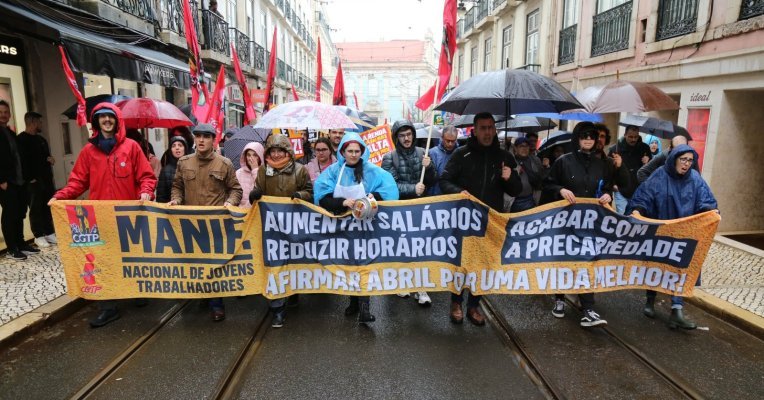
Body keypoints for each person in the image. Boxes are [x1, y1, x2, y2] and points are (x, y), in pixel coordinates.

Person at [49, 103, 157, 328]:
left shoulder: (132, 147)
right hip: (98, 218)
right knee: (102, 260)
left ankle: (136, 291)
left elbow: (146, 177)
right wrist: (60, 197)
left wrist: (146, 192)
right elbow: (78, 181)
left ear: (117, 120)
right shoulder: (88, 152)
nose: (106, 120)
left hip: (128, 218)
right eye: (102, 117)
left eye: (110, 116)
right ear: (96, 122)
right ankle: (108, 307)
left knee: (131, 257)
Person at [542, 123, 629, 328]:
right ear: (577, 139)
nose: (589, 139)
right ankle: (560, 299)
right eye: (584, 136)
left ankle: (588, 307)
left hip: (590, 225)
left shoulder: (604, 164)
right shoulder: (564, 162)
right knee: (565, 260)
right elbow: (548, 184)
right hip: (566, 222)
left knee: (587, 262)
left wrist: (607, 194)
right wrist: (561, 190)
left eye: (592, 136)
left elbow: (608, 186)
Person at [440, 112, 523, 326]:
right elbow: (445, 180)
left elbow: (517, 190)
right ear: (474, 131)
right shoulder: (461, 154)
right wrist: (460, 192)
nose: (487, 132)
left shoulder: (504, 157)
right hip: (464, 219)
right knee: (462, 263)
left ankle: (474, 305)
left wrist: (510, 177)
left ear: (495, 130)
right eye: (483, 128)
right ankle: (456, 302)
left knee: (482, 264)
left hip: (490, 221)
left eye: (490, 127)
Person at [314, 131, 398, 324]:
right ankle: (352, 302)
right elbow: (322, 197)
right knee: (348, 266)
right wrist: (342, 202)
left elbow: (389, 190)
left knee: (365, 265)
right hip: (343, 229)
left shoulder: (372, 170)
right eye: (349, 151)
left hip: (367, 227)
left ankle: (364, 309)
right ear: (343, 152)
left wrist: (370, 199)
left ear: (362, 151)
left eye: (356, 150)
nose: (353, 154)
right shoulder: (334, 172)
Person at [629, 145, 717, 329]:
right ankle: (650, 301)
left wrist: (710, 211)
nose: (686, 164)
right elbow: (644, 196)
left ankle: (677, 309)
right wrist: (637, 210)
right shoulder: (660, 175)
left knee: (681, 268)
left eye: (690, 161)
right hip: (661, 230)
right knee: (657, 266)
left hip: (685, 233)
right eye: (683, 159)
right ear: (674, 158)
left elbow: (706, 200)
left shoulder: (695, 178)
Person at [170, 123, 242, 322]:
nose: (201, 140)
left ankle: (216, 304)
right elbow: (177, 186)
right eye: (198, 136)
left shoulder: (224, 163)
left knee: (213, 265)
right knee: (194, 263)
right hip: (190, 224)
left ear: (213, 140)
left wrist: (230, 202)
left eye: (206, 136)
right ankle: (202, 294)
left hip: (214, 225)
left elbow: (236, 189)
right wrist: (176, 199)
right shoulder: (184, 162)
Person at [248, 134, 312, 328]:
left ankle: (292, 293)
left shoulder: (300, 170)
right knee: (274, 264)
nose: (275, 155)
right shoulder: (262, 171)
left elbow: (310, 193)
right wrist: (254, 195)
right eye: (272, 151)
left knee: (293, 262)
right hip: (271, 227)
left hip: (294, 225)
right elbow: (256, 195)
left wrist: (300, 195)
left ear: (287, 152)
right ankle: (277, 308)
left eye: (279, 151)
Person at [381, 120, 436, 306]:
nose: (406, 138)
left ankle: (421, 288)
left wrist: (428, 167)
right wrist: (413, 189)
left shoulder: (423, 153)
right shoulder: (390, 157)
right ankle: (401, 282)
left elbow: (433, 179)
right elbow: (389, 187)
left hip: (421, 210)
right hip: (399, 211)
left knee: (421, 249)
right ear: (397, 137)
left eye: (409, 134)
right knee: (400, 248)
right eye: (402, 135)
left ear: (413, 135)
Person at [0, 101, 39, 260]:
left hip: (18, 181)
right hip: (5, 182)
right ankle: (11, 248)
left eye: (5, 112)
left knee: (19, 212)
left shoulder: (9, 131)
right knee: (9, 214)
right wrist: (1, 179)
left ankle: (21, 243)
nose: (3, 115)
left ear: (9, 114)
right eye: (0, 112)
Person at [17, 112, 57, 248]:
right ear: (32, 122)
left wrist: (50, 159)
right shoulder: (21, 140)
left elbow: (45, 157)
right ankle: (38, 235)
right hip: (32, 182)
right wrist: (29, 179)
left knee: (47, 206)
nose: (41, 124)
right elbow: (20, 162)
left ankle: (49, 232)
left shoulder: (41, 140)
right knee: (35, 208)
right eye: (39, 122)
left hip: (46, 180)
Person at [607, 125, 651, 213]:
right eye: (630, 137)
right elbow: (607, 169)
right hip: (621, 190)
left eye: (635, 137)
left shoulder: (645, 148)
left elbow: (651, 169)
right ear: (625, 135)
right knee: (622, 217)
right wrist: (613, 184)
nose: (633, 139)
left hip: (638, 190)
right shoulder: (615, 149)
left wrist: (647, 162)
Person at [510, 137, 543, 212]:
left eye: (526, 146)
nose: (524, 148)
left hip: (530, 200)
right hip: (513, 201)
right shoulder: (510, 161)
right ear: (515, 148)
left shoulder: (535, 160)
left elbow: (541, 178)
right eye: (521, 146)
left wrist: (545, 167)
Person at [427, 125, 458, 195]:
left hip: (454, 195)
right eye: (448, 141)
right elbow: (429, 178)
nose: (450, 144)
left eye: (453, 141)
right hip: (435, 195)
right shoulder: (432, 153)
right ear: (442, 138)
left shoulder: (460, 153)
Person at [156, 136, 188, 203]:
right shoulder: (165, 170)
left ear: (185, 149)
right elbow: (161, 197)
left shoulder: (192, 166)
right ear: (170, 150)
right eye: (173, 146)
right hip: (172, 209)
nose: (177, 148)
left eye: (180, 145)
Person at [235, 141, 265, 208]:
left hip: (257, 211)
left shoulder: (265, 172)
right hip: (241, 211)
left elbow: (261, 190)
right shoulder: (238, 173)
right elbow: (235, 192)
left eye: (255, 155)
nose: (251, 158)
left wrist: (255, 170)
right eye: (248, 155)